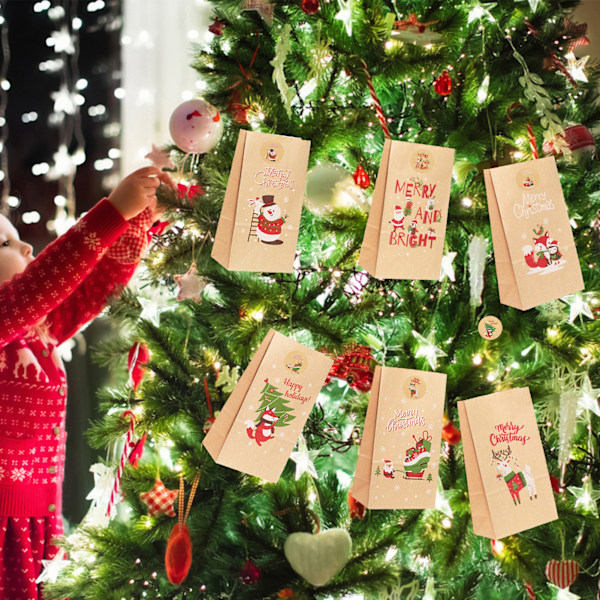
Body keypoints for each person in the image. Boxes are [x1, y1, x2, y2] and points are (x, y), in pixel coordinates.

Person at [0, 166, 171, 600]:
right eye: (5, 242)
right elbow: (45, 280)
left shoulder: (38, 328)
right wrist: (112, 212)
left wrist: (138, 220)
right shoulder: (7, 317)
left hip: (41, 517)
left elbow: (96, 285)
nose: (24, 245)